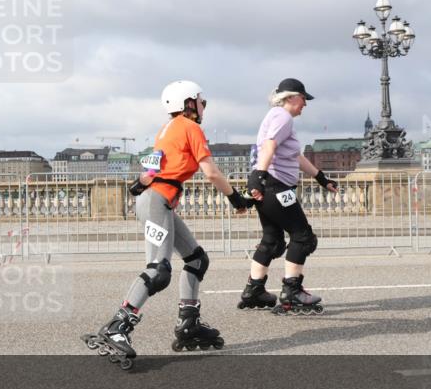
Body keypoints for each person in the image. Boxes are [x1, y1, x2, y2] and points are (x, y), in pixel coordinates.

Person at [83, 80, 250, 367]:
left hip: (157, 200)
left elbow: (151, 169)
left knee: (197, 260)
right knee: (159, 270)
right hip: (157, 202)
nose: (202, 106)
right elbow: (210, 172)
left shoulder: (166, 129)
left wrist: (144, 187)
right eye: (200, 101)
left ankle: (189, 324)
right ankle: (118, 326)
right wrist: (237, 199)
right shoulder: (190, 127)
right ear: (188, 103)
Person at [238, 78, 338, 314]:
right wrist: (258, 176)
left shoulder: (274, 116)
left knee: (271, 240)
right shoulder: (282, 117)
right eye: (304, 99)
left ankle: (254, 289)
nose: (305, 104)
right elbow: (270, 146)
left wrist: (321, 177)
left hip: (269, 187)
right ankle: (292, 291)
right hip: (277, 187)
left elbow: (294, 156)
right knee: (303, 237)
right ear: (292, 97)